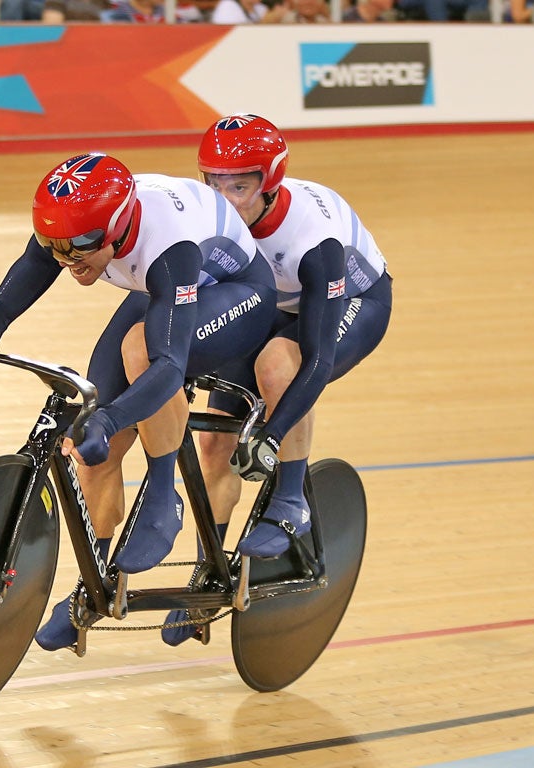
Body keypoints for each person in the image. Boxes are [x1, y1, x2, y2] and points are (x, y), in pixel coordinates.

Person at [0, 153, 277, 651]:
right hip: (163, 291)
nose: (68, 260)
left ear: (116, 226)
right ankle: (92, 589)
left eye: (82, 247)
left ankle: (162, 498)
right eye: (55, 248)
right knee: (93, 453)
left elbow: (168, 366)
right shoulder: (71, 231)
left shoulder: (167, 247)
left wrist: (110, 419)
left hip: (237, 293)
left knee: (141, 354)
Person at [162, 114, 392, 645]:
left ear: (269, 182)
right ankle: (207, 574)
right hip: (271, 305)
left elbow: (317, 359)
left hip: (351, 302)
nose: (224, 198)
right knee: (214, 442)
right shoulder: (210, 217)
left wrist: (272, 433)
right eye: (213, 183)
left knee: (278, 368)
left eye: (239, 187)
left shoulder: (313, 237)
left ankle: (291, 499)